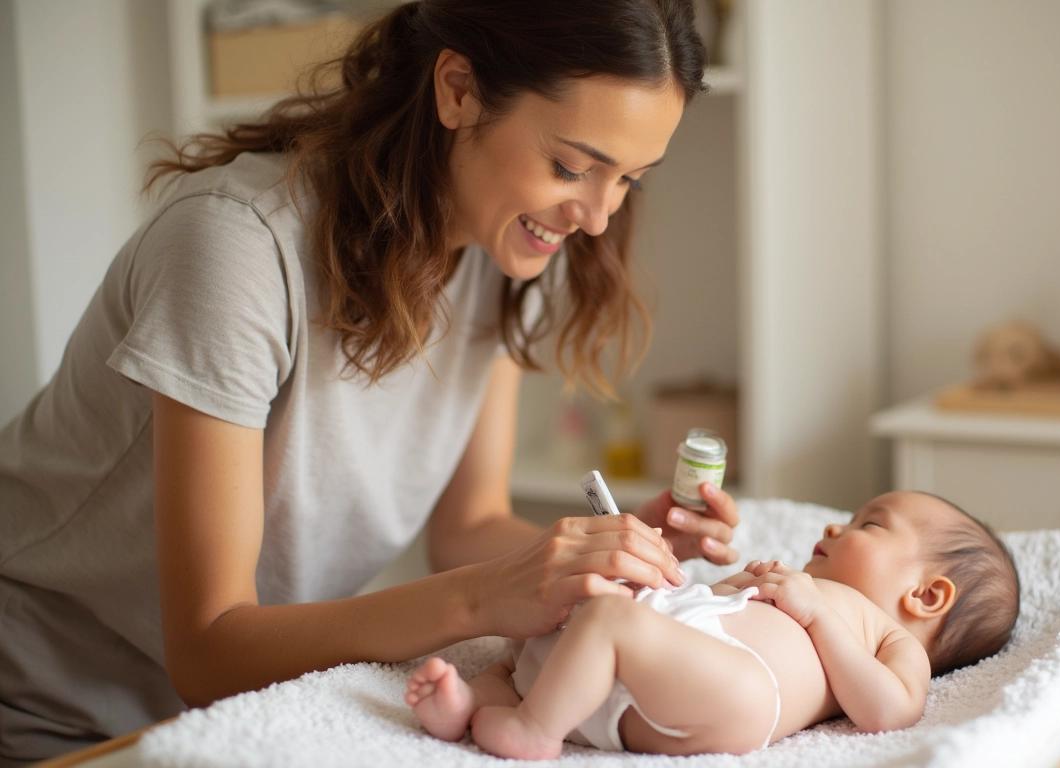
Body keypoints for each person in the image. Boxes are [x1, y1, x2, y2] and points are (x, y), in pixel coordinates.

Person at [0, 2, 741, 763]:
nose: (596, 217)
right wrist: (482, 596)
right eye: (573, 167)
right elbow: (208, 650)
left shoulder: (507, 251)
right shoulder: (236, 249)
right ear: (458, 90)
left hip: (240, 712)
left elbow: (468, 528)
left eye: (629, 181)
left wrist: (616, 560)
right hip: (47, 712)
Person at [404, 490, 1021, 759]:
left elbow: (888, 711)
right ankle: (473, 703)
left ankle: (536, 729)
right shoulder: (793, 580)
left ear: (927, 595)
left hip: (738, 692)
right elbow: (698, 603)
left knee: (609, 620)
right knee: (546, 622)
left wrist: (815, 614)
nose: (837, 527)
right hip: (656, 678)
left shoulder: (890, 637)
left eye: (870, 524)